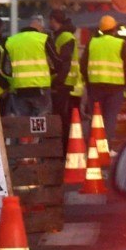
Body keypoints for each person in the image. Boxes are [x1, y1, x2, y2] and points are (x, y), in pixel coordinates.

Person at [81, 15, 126, 144]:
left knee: (96, 118)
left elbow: (83, 65)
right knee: (110, 118)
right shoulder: (121, 44)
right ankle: (105, 148)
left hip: (95, 86)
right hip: (115, 88)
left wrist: (89, 82)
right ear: (114, 29)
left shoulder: (92, 43)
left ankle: (93, 146)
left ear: (100, 30)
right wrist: (125, 83)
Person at [4, 14, 59, 117]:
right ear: (39, 28)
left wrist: (13, 80)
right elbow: (56, 62)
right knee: (42, 122)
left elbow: (5, 69)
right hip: (41, 88)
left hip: (19, 89)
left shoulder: (11, 41)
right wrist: (51, 75)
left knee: (23, 123)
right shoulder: (43, 39)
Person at [48, 10, 82, 151]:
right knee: (64, 117)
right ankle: (64, 148)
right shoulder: (62, 36)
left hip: (64, 83)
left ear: (53, 20)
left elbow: (64, 62)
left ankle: (64, 148)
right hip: (66, 82)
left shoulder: (65, 37)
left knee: (62, 118)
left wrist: (58, 81)